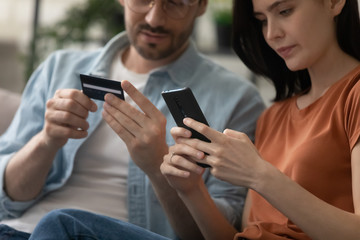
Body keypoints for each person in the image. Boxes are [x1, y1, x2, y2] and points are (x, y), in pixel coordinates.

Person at [23, 0, 360, 239]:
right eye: (261, 19)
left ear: (334, 2)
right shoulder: (274, 116)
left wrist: (259, 174)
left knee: (63, 225)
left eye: (285, 11)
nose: (271, 33)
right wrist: (189, 188)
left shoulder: (353, 95)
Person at [0, 0, 265, 239]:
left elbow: (216, 233)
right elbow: (8, 198)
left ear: (202, 5)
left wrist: (157, 166)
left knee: (59, 223)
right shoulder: (59, 68)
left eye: (175, 3)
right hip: (15, 230)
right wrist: (46, 141)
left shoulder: (236, 100)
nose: (154, 19)